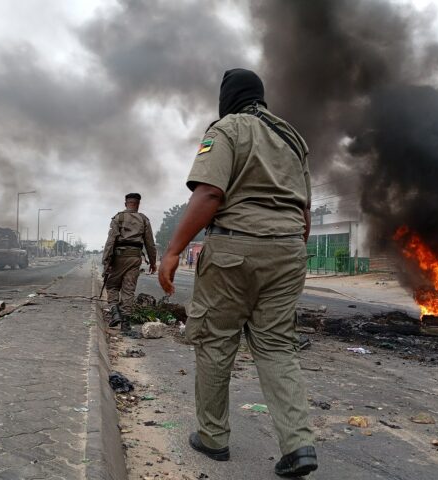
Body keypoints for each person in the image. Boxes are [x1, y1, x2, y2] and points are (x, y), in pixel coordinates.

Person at [158, 68, 317, 477]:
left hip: (234, 249)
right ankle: (298, 446)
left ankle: (212, 438)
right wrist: (292, 248)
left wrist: (173, 251)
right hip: (289, 251)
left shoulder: (227, 128)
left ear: (228, 97)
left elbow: (210, 192)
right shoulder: (292, 138)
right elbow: (304, 212)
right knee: (277, 346)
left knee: (215, 340)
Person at [103, 193, 157, 331]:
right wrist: (153, 262)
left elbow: (110, 242)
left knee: (112, 285)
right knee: (129, 289)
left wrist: (106, 261)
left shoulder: (118, 218)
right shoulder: (144, 219)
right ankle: (126, 324)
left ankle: (115, 313)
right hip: (135, 257)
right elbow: (150, 243)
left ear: (126, 203)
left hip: (119, 257)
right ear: (138, 204)